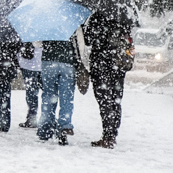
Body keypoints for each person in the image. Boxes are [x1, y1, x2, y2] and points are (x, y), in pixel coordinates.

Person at [85, 9, 135, 148]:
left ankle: (107, 136)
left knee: (105, 100)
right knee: (115, 99)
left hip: (100, 65)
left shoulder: (97, 17)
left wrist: (86, 26)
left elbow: (88, 40)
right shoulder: (124, 18)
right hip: (119, 65)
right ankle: (112, 134)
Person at [36, 35, 81, 145]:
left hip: (49, 60)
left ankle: (46, 128)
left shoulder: (45, 25)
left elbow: (37, 43)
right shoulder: (71, 25)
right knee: (67, 97)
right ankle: (64, 126)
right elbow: (80, 43)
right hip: (68, 61)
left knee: (48, 96)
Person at [17, 40, 43, 129]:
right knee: (48, 93)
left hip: (28, 64)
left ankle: (32, 118)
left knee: (31, 93)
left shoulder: (26, 32)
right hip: (44, 63)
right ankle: (48, 119)